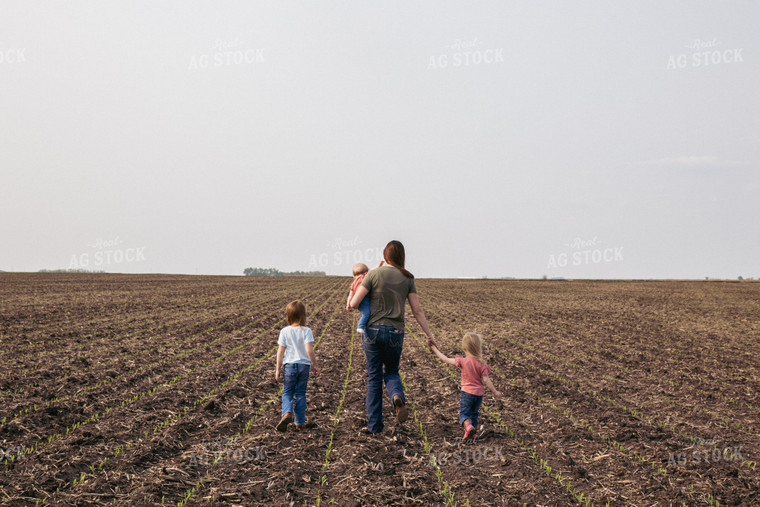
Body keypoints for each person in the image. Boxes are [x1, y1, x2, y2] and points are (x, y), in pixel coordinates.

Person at [348, 240, 438, 434]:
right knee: (391, 372)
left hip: (372, 331)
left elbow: (354, 304)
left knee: (374, 378)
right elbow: (417, 310)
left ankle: (375, 427)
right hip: (396, 333)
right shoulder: (408, 278)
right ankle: (397, 396)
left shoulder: (373, 274)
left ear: (385, 255)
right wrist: (429, 335)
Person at [430, 332, 502, 441]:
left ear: (464, 348)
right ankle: (471, 434)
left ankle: (468, 427)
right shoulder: (481, 363)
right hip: (478, 395)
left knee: (464, 414)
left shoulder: (463, 361)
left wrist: (434, 349)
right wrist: (495, 392)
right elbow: (486, 380)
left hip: (467, 393)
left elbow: (445, 359)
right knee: (474, 414)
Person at [274, 300, 320, 431]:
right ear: (303, 315)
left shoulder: (284, 331)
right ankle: (299, 422)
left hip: (289, 366)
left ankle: (287, 412)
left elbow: (280, 351)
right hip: (304, 367)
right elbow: (309, 350)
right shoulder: (307, 331)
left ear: (289, 315)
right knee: (300, 394)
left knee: (287, 392)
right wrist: (315, 366)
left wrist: (277, 369)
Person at [346, 263, 371, 335]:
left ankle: (364, 325)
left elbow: (350, 295)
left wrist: (348, 304)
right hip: (363, 300)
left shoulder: (353, 283)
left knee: (367, 313)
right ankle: (360, 327)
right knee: (367, 313)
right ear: (366, 273)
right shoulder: (364, 279)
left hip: (359, 302)